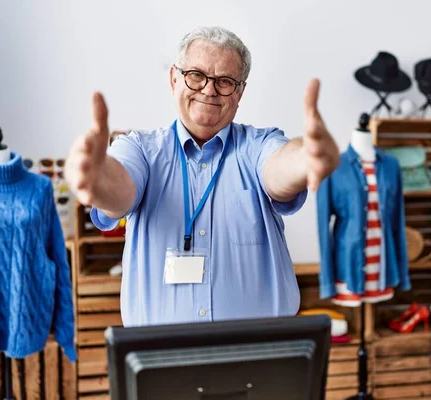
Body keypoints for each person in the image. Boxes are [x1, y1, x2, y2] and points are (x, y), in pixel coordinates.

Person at [64, 26, 340, 326]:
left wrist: (305, 158)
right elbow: (119, 189)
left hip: (260, 356)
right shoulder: (140, 149)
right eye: (196, 75)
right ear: (174, 78)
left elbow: (280, 166)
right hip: (161, 360)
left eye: (224, 81)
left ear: (240, 92)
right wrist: (97, 178)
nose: (209, 90)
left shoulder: (258, 145)